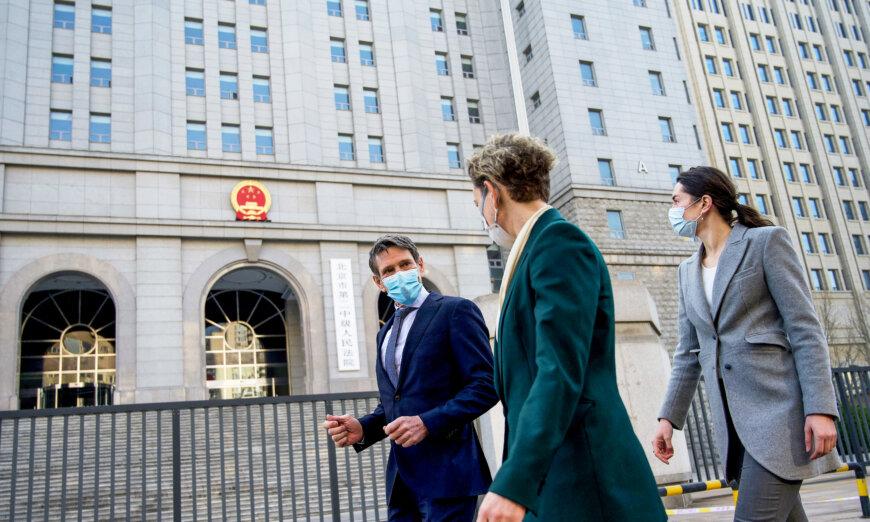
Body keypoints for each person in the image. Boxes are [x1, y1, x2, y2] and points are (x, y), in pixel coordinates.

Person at [468, 133, 666, 522]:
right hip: (558, 472)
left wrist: (514, 481)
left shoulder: (558, 243)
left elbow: (557, 370)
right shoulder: (533, 249)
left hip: (585, 472)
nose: (481, 214)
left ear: (493, 192)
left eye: (478, 203)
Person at [653, 166, 840, 521]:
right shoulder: (685, 272)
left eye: (677, 201)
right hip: (734, 427)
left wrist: (820, 408)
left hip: (779, 417)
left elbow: (804, 328)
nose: (673, 210)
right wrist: (668, 419)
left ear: (704, 203)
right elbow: (688, 354)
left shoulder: (765, 242)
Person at [323, 234, 499, 522]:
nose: (399, 274)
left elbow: (486, 385)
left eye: (405, 264)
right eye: (389, 271)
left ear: (420, 265)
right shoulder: (385, 332)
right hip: (402, 481)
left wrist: (427, 423)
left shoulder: (455, 311)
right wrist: (364, 428)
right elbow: (394, 403)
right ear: (379, 283)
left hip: (448, 476)